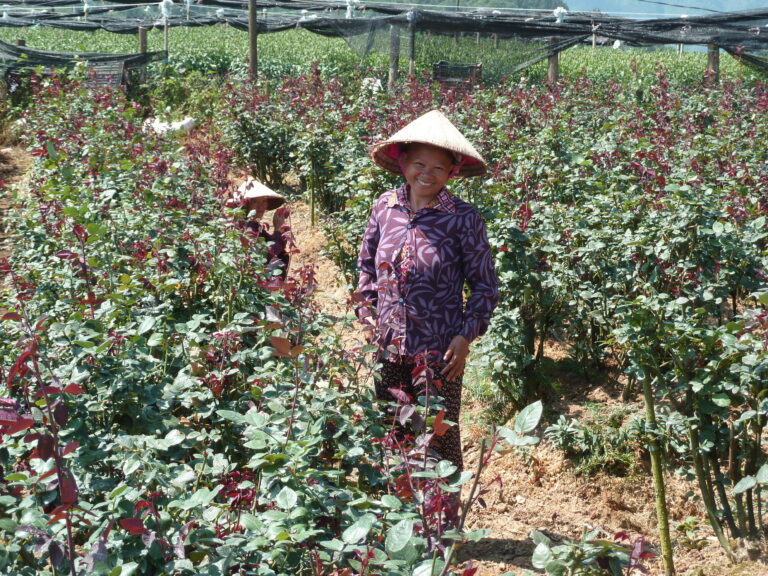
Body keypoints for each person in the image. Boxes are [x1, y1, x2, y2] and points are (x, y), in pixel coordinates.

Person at [355, 109, 499, 473]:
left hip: (439, 354)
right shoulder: (385, 208)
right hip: (387, 346)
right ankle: (401, 520)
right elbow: (366, 270)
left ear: (452, 171)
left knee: (439, 437)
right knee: (392, 433)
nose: (427, 173)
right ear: (403, 162)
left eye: (438, 167)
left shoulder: (463, 218)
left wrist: (467, 336)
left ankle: (442, 525)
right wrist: (368, 319)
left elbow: (484, 284)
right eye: (419, 163)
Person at [232, 177, 292, 280]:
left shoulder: (254, 225)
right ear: (245, 204)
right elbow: (265, 256)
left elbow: (271, 244)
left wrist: (282, 230)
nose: (261, 206)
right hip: (250, 278)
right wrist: (278, 230)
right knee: (277, 263)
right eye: (255, 202)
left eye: (264, 201)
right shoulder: (247, 226)